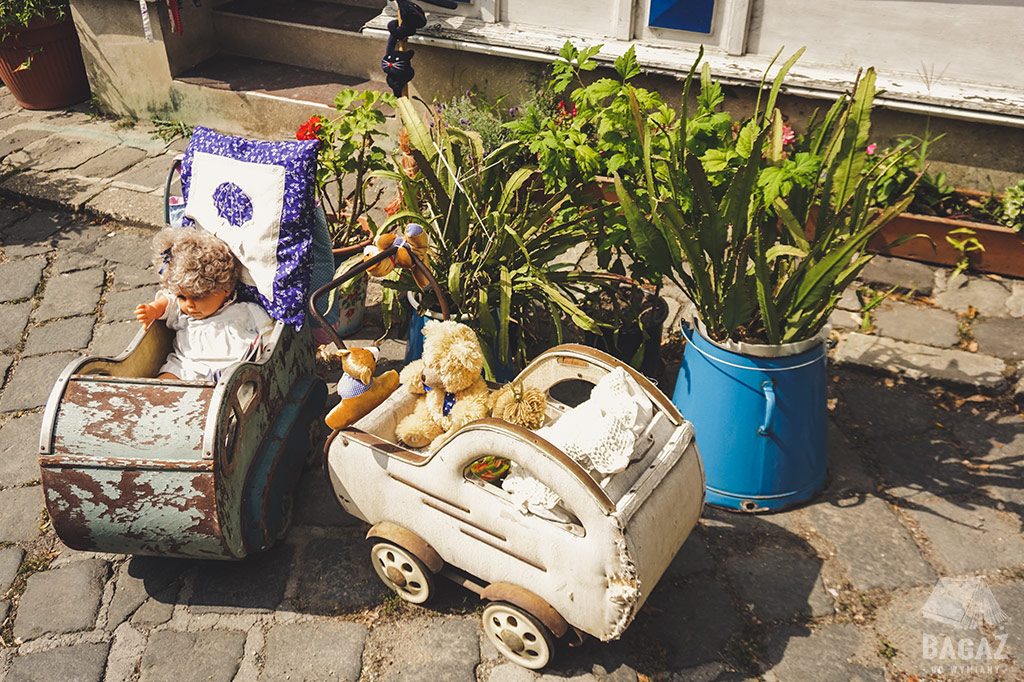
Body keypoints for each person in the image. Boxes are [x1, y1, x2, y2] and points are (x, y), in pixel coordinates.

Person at [134, 228, 273, 381]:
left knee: (243, 387)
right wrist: (152, 310)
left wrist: (263, 354)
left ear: (225, 289)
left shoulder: (244, 310)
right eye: (182, 297)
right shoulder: (182, 312)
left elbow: (269, 334)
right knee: (165, 382)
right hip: (187, 367)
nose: (189, 305)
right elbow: (168, 302)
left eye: (198, 297)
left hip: (229, 372)